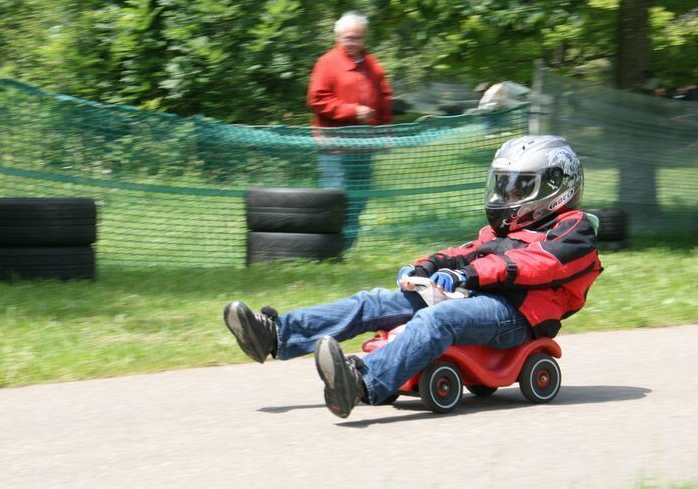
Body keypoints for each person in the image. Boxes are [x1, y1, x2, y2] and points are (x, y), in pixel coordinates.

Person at [223, 135, 601, 419]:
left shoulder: (575, 228)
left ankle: (361, 382)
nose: (506, 195)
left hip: (516, 317)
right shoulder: (500, 234)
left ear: (554, 187)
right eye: (503, 185)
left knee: (438, 318)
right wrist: (426, 267)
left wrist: (468, 275)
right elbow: (466, 251)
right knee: (375, 300)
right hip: (477, 298)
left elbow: (536, 264)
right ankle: (275, 334)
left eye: (518, 187)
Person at [307, 12, 393, 251]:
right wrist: (352, 111)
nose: (353, 43)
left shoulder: (372, 65)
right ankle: (326, 246)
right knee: (335, 197)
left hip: (363, 146)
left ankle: (345, 246)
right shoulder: (327, 63)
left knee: (359, 198)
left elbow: (385, 98)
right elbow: (317, 100)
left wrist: (385, 132)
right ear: (339, 38)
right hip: (335, 147)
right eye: (348, 38)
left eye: (358, 38)